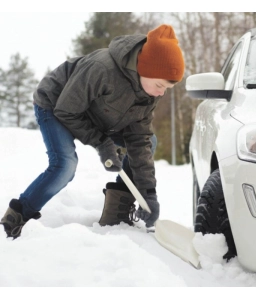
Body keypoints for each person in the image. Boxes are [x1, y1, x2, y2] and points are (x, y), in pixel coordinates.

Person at [0, 24, 185, 238]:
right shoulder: (101, 68)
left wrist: (148, 193)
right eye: (160, 85)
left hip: (98, 115)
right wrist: (103, 143)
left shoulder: (147, 94)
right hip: (56, 105)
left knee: (149, 142)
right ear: (145, 69)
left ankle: (116, 213)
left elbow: (139, 139)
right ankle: (17, 217)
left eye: (166, 89)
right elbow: (67, 111)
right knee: (64, 165)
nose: (161, 94)